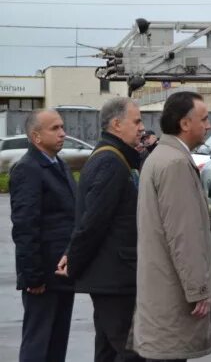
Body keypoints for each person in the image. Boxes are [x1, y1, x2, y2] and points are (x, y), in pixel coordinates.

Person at [131, 91, 211, 361]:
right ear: (184, 123)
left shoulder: (161, 156)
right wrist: (198, 289)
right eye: (203, 119)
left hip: (161, 291)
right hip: (172, 295)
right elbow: (184, 235)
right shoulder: (175, 163)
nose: (209, 125)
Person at [58, 97, 145, 362]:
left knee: (108, 350)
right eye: (137, 121)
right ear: (117, 125)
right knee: (131, 352)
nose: (142, 127)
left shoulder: (118, 158)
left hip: (114, 277)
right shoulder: (110, 162)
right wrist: (72, 260)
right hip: (114, 278)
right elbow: (93, 222)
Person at [10, 109, 76, 362]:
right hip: (42, 277)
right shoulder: (28, 169)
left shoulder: (58, 165)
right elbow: (25, 227)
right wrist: (33, 276)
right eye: (55, 129)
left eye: (62, 127)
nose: (63, 133)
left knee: (57, 343)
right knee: (38, 344)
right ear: (36, 137)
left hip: (62, 273)